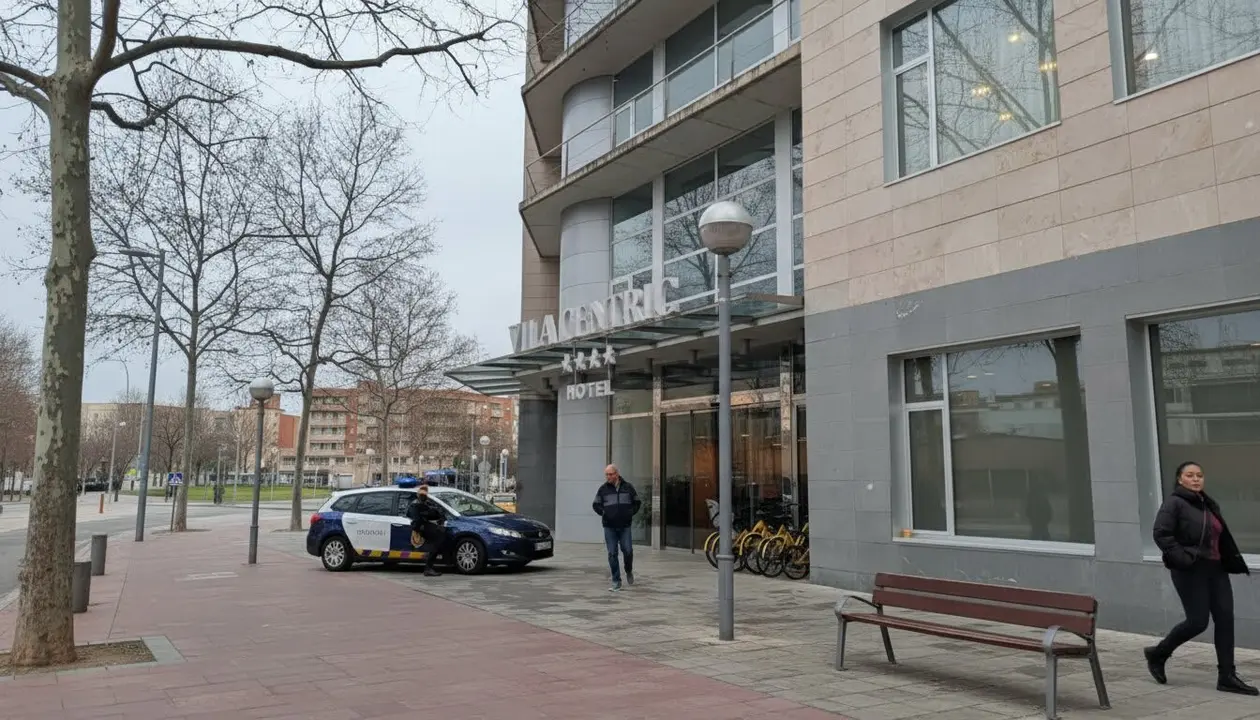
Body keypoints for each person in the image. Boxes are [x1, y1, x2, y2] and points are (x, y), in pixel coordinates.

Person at [1146, 461, 1257, 695]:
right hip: (1190, 569)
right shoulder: (1174, 503)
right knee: (1197, 621)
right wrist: (1183, 558)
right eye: (1190, 475)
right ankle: (1159, 653)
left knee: (1225, 619)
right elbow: (1161, 533)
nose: (1196, 479)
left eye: (1199, 475)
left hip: (1215, 569)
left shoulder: (1207, 504)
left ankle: (1227, 676)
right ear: (1180, 479)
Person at [593, 464, 640, 592]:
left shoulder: (628, 487)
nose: (608, 477)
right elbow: (596, 505)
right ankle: (616, 581)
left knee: (628, 551)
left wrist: (630, 513)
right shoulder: (603, 489)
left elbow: (637, 502)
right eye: (606, 474)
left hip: (625, 526)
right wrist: (604, 513)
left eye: (610, 474)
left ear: (616, 474)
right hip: (609, 527)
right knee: (612, 553)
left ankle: (628, 570)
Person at [407, 484, 446, 578]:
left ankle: (429, 567)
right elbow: (417, 520)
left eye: (424, 495)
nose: (423, 497)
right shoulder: (415, 505)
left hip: (425, 527)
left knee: (438, 540)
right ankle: (428, 568)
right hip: (421, 529)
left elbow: (435, 513)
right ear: (418, 495)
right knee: (436, 542)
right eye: (422, 495)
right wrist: (420, 529)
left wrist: (440, 518)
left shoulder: (426, 504)